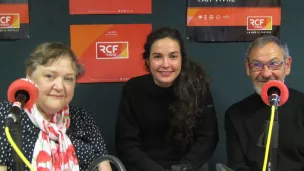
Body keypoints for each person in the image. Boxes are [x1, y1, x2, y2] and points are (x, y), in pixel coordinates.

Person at [115, 27, 219, 171]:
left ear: (182, 59)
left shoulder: (197, 88)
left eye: (173, 56)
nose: (165, 64)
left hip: (188, 167)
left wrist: (183, 168)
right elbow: (126, 144)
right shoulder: (133, 89)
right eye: (157, 56)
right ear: (147, 60)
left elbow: (208, 138)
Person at [0, 42, 112, 171]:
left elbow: (104, 165)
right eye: (49, 76)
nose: (59, 86)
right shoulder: (7, 115)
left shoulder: (83, 118)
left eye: (68, 79)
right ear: (30, 75)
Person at [225, 36, 304, 171]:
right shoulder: (235, 114)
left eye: (274, 64)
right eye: (257, 65)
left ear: (287, 65)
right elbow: (238, 164)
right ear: (248, 68)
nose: (266, 73)